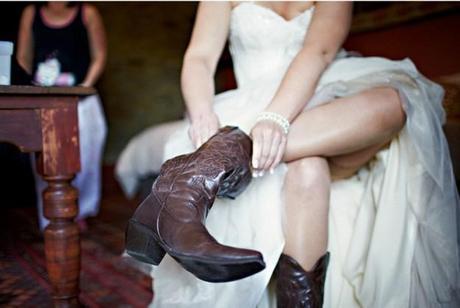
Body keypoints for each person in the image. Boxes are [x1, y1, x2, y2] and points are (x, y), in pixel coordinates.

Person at [129, 2, 459, 307]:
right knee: (309, 169)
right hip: (251, 110)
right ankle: (207, 170)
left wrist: (276, 118)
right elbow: (200, 57)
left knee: (396, 101)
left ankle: (196, 174)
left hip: (318, 106)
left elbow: (319, 50)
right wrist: (202, 114)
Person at [16, 2, 107, 231]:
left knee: (85, 158)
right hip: (43, 99)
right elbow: (23, 56)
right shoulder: (31, 12)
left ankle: (80, 211)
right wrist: (30, 88)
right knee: (45, 161)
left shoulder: (87, 13)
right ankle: (50, 215)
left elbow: (100, 54)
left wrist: (84, 87)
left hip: (81, 100)